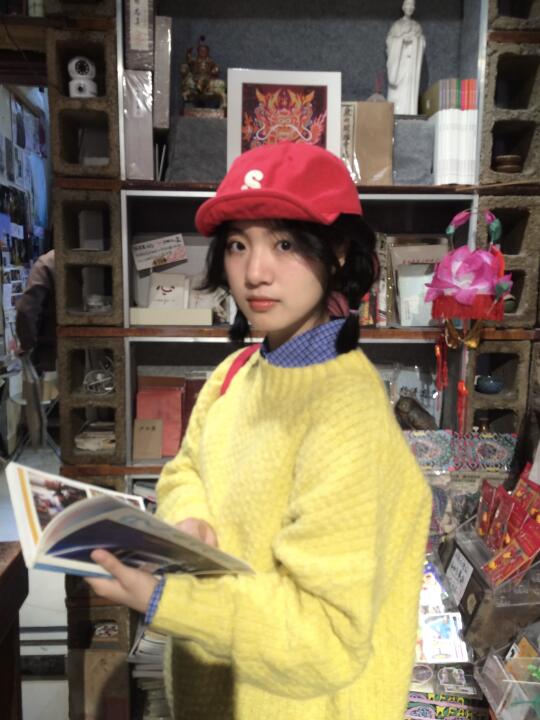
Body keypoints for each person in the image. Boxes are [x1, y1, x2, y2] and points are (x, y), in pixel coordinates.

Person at [86, 142, 431, 720]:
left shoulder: (346, 413)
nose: (254, 272)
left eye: (285, 244)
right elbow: (184, 470)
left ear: (338, 251)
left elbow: (326, 638)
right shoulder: (236, 372)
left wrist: (166, 597)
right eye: (238, 245)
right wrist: (189, 520)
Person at [15, 248, 56, 374]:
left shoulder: (47, 263)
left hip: (48, 351)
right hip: (86, 348)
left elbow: (26, 310)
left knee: (49, 385)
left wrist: (26, 344)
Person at [386, 0, 426, 115]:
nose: (410, 8)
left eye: (412, 6)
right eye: (407, 5)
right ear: (403, 7)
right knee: (397, 89)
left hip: (411, 64)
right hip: (399, 63)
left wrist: (416, 40)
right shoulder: (397, 25)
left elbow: (422, 43)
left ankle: (409, 111)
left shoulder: (417, 26)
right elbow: (389, 41)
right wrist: (401, 40)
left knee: (409, 88)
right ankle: (395, 112)